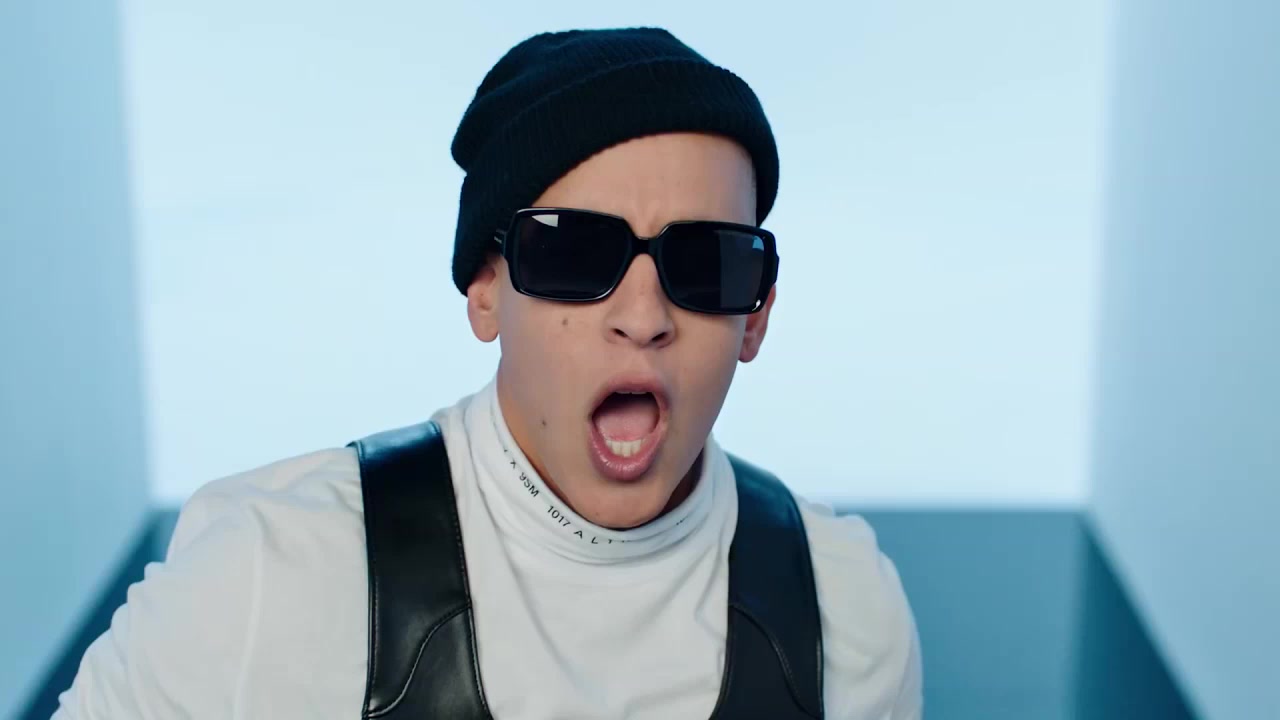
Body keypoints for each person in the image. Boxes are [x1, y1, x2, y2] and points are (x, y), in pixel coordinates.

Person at [53, 26, 922, 719]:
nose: (644, 315)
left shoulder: (843, 608)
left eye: (707, 264)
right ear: (484, 292)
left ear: (756, 314)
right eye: (575, 252)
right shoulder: (271, 577)